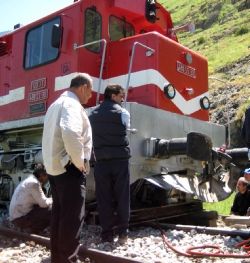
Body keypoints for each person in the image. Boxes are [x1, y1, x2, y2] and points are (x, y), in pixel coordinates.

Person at [42, 73, 93, 263]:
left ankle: (58, 258)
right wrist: (80, 162)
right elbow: (71, 133)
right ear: (83, 87)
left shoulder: (55, 104)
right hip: (70, 168)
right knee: (72, 219)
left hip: (55, 169)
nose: (90, 96)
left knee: (59, 216)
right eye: (90, 90)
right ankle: (69, 259)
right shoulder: (71, 104)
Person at [89, 84, 131, 244]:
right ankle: (123, 234)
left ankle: (106, 234)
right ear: (113, 96)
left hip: (101, 161)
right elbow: (125, 129)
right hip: (120, 160)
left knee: (103, 197)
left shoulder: (92, 114)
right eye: (121, 95)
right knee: (122, 196)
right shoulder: (123, 113)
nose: (123, 99)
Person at [9, 163, 52, 234]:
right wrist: (54, 199)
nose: (47, 179)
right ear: (42, 175)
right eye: (47, 176)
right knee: (52, 209)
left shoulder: (30, 180)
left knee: (44, 207)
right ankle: (32, 230)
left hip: (17, 217)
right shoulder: (34, 183)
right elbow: (43, 204)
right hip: (19, 220)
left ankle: (31, 229)